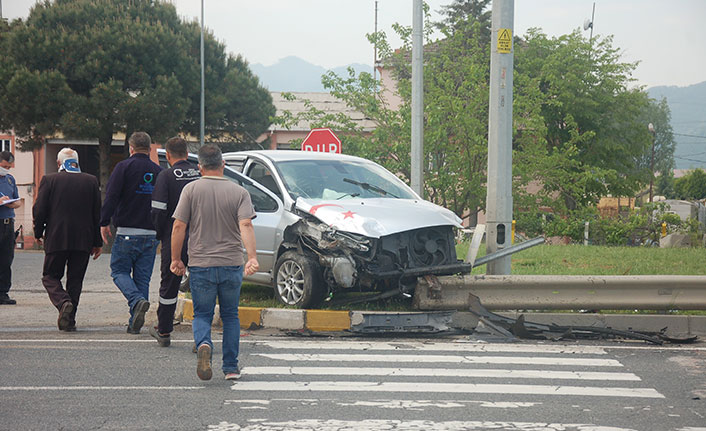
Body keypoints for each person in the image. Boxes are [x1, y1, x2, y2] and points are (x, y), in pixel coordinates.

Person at [170, 144, 258, 381]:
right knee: (230, 316)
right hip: (231, 263)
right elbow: (246, 225)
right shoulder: (239, 192)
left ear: (200, 167)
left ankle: (204, 345)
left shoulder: (190, 190)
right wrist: (252, 257)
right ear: (223, 165)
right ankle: (230, 368)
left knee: (202, 314)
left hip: (201, 264)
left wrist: (176, 259)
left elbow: (179, 226)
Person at [33, 148, 102, 331]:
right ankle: (69, 321)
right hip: (83, 240)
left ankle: (63, 302)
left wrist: (38, 232)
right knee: (75, 280)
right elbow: (96, 214)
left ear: (58, 163)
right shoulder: (91, 181)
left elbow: (40, 210)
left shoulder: (50, 180)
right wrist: (97, 242)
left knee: (50, 276)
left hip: (57, 237)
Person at [100, 132, 162, 334]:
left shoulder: (123, 167)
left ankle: (136, 302)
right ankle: (134, 322)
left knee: (118, 271)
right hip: (151, 234)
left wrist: (104, 221)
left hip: (127, 231)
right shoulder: (159, 171)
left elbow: (112, 195)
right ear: (150, 149)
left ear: (131, 148)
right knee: (142, 279)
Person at [149, 137, 200, 347]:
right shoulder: (200, 174)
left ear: (168, 156)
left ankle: (164, 331)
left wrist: (160, 234)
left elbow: (158, 210)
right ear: (187, 153)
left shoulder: (166, 176)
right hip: (201, 239)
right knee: (200, 286)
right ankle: (201, 337)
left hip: (175, 237)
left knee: (169, 286)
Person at [0, 151, 21, 305]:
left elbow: (18, 201)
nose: (6, 169)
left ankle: (3, 292)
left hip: (8, 223)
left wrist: (10, 203)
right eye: (4, 166)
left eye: (8, 167)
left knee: (6, 259)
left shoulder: (10, 179)